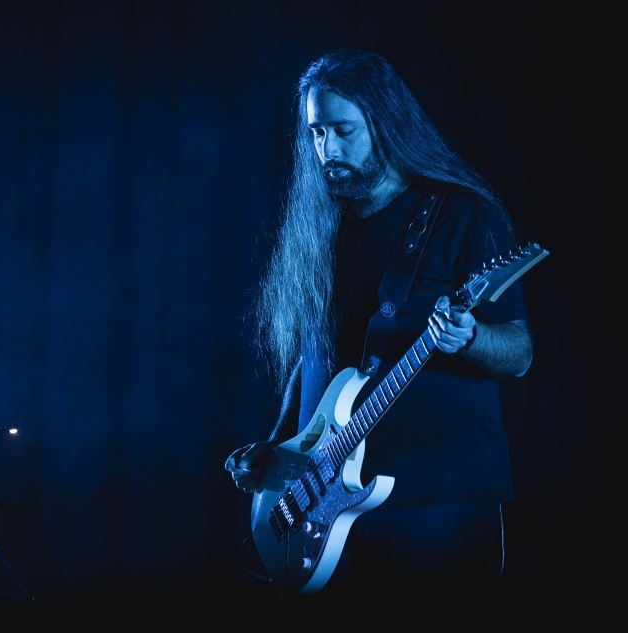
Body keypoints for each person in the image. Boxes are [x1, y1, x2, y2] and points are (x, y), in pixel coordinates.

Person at [224, 49, 535, 597]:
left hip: (435, 497)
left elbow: (519, 352)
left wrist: (470, 336)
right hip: (322, 501)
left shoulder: (462, 215)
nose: (327, 150)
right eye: (317, 133)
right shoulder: (324, 226)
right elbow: (315, 357)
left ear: (386, 124)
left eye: (343, 130)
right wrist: (278, 451)